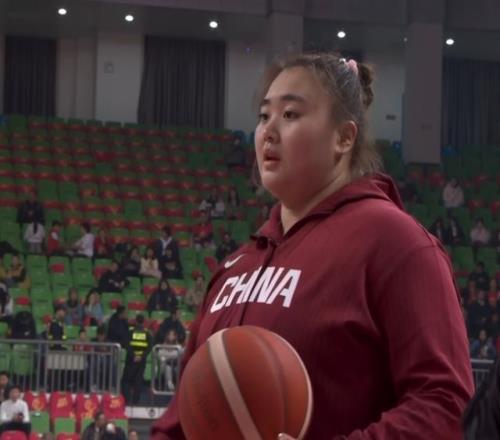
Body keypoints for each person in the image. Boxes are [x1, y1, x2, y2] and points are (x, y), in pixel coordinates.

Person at [152, 53, 473, 440]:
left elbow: (445, 406)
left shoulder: (396, 244)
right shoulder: (234, 268)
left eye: (290, 114)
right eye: (263, 116)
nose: (268, 131)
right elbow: (180, 420)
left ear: (344, 137)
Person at [121, 314, 152, 404]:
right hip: (141, 361)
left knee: (125, 381)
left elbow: (127, 345)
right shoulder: (147, 333)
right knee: (138, 381)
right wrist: (141, 356)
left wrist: (134, 355)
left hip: (131, 360)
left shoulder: (130, 332)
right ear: (143, 322)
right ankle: (135, 402)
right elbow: (149, 347)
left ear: (136, 321)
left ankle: (127, 400)